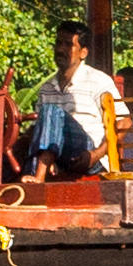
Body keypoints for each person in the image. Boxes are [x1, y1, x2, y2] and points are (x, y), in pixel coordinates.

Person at [28, 23, 119, 180]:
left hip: (89, 155)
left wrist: (95, 155)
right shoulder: (47, 87)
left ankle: (37, 177)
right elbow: (41, 129)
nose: (60, 49)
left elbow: (124, 123)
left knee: (51, 111)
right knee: (35, 127)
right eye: (58, 43)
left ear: (83, 52)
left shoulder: (98, 80)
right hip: (61, 157)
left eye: (68, 44)